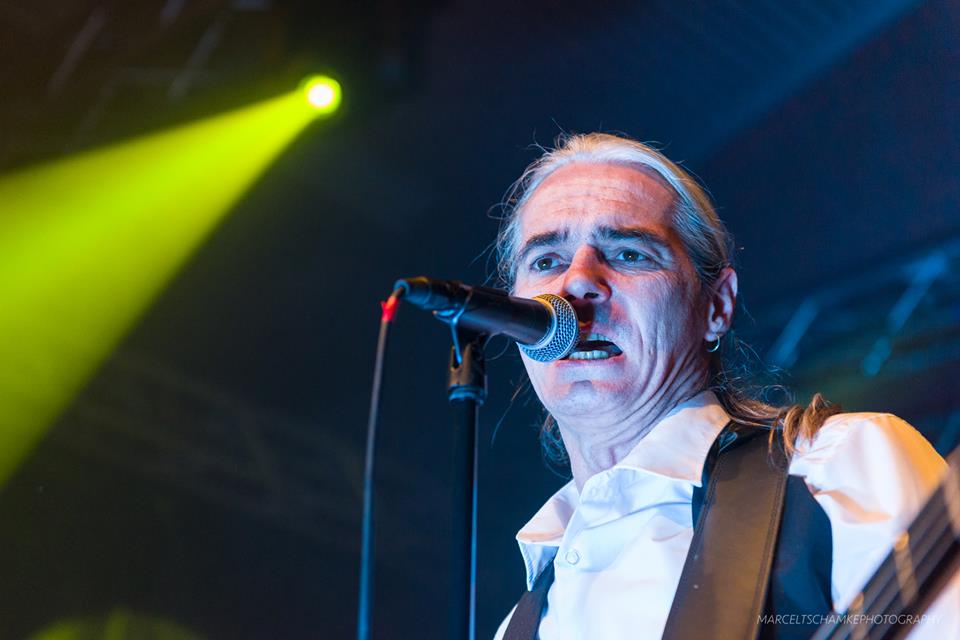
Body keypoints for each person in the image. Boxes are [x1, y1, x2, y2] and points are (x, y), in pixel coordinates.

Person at [491, 133, 959, 639]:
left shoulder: (837, 469)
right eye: (546, 261)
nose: (576, 282)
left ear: (716, 305)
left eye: (628, 253)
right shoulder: (518, 624)